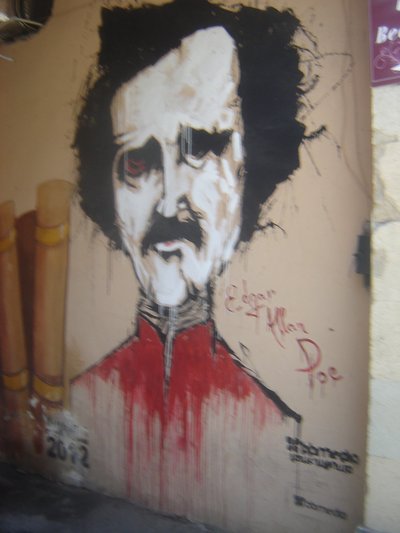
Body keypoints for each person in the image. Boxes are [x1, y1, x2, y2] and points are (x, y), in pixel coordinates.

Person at [71, 0, 305, 526]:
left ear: (245, 173)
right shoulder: (79, 399)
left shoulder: (275, 429)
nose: (170, 201)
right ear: (110, 196)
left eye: (201, 148)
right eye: (138, 162)